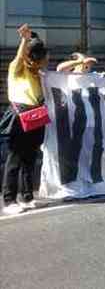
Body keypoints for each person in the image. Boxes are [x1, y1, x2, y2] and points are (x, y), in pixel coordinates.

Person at [3, 24, 49, 215]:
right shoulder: (18, 69)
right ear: (35, 57)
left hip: (35, 116)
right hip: (19, 116)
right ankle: (9, 199)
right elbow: (20, 57)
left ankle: (28, 196)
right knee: (15, 159)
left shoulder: (38, 74)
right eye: (44, 57)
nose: (47, 60)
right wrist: (24, 40)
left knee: (30, 157)